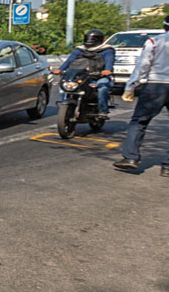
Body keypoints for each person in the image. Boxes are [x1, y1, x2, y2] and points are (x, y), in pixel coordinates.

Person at [113, 15, 169, 175]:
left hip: (156, 85)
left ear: (164, 27)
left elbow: (143, 65)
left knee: (139, 121)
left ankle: (130, 158)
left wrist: (131, 86)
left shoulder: (155, 41)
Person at [52, 28, 115, 116]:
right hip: (82, 77)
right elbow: (69, 60)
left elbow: (109, 61)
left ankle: (102, 110)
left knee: (102, 88)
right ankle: (65, 104)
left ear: (99, 40)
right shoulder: (80, 49)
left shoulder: (107, 50)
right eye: (88, 38)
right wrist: (60, 69)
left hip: (98, 77)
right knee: (63, 86)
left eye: (93, 39)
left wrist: (107, 70)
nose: (90, 41)